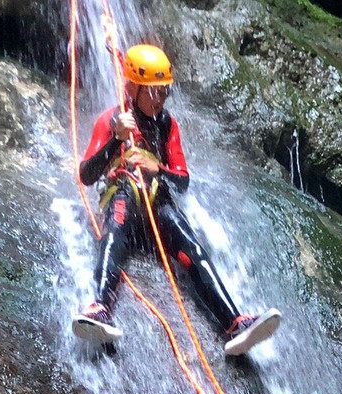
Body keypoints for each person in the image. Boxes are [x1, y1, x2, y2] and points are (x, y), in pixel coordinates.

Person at [73, 43, 280, 355]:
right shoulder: (112, 119)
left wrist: (159, 169)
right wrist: (115, 139)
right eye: (152, 91)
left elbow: (182, 181)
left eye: (164, 91)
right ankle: (100, 307)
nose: (159, 99)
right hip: (124, 194)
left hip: (158, 202)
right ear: (134, 88)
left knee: (192, 246)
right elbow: (87, 175)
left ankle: (234, 323)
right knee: (114, 230)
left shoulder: (168, 125)